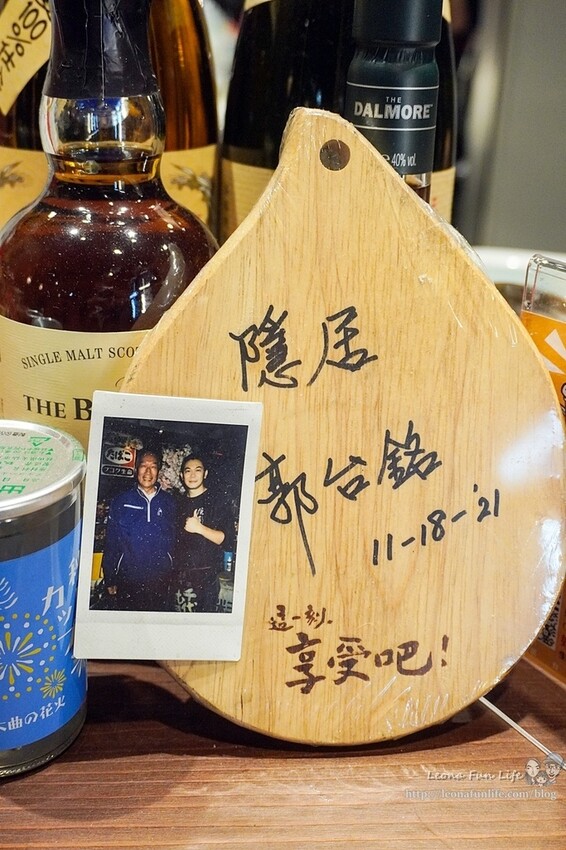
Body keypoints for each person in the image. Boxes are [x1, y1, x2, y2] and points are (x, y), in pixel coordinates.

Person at [98, 448, 177, 611]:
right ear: (136, 469)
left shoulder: (169, 502)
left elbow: (175, 541)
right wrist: (110, 578)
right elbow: (111, 542)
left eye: (153, 466)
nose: (148, 472)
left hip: (161, 580)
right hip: (128, 579)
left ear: (158, 471)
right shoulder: (121, 501)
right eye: (143, 466)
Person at [174, 453, 234, 613]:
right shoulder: (177, 502)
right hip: (179, 577)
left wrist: (199, 528)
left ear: (205, 474)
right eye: (188, 471)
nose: (193, 475)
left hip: (206, 579)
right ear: (181, 475)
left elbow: (226, 539)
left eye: (198, 470)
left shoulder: (217, 501)